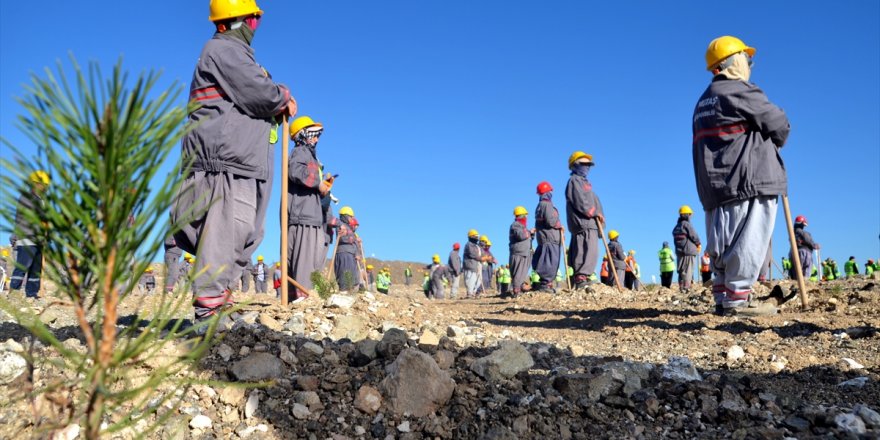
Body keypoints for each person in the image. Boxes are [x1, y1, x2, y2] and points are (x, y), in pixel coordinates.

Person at [172, 0, 297, 326]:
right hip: (225, 162)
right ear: (240, 21)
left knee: (244, 233)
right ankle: (209, 313)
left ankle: (220, 300)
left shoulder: (234, 54)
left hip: (241, 161)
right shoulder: (223, 51)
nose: (256, 26)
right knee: (224, 233)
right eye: (254, 19)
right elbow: (260, 94)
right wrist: (282, 95)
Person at [694, 36, 789, 316]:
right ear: (733, 61)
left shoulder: (704, 101)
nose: (749, 64)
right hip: (748, 179)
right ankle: (737, 300)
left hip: (715, 186)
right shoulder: (740, 91)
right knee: (747, 239)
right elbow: (780, 125)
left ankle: (725, 296)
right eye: (746, 59)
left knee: (723, 241)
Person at [286, 115, 332, 302]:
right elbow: (296, 172)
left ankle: (303, 297)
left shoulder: (310, 155)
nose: (317, 139)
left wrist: (323, 187)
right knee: (304, 260)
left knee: (310, 260)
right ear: (303, 134)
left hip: (310, 214)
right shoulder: (300, 152)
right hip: (302, 214)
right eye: (314, 134)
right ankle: (302, 299)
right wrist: (318, 183)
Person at [565, 151, 605, 290]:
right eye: (584, 164)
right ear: (575, 165)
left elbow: (593, 200)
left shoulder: (585, 182)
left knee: (590, 249)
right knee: (585, 249)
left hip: (590, 222)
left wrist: (600, 215)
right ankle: (581, 276)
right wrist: (593, 213)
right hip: (583, 222)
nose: (587, 167)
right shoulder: (574, 181)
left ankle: (584, 276)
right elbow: (580, 200)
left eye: (588, 164)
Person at [10, 171, 49, 298]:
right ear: (35, 184)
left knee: (35, 270)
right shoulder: (27, 197)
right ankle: (13, 294)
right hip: (27, 236)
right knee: (23, 266)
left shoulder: (41, 200)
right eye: (42, 185)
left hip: (38, 239)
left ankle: (32, 295)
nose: (44, 188)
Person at [532, 181, 563, 293]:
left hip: (545, 238)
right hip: (550, 238)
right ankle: (546, 284)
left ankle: (546, 284)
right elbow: (550, 221)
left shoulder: (540, 205)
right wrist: (558, 224)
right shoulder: (547, 205)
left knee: (546, 260)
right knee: (550, 261)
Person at [672, 205, 701, 293]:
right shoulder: (687, 225)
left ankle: (681, 287)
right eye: (690, 214)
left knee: (681, 270)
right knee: (688, 270)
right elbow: (694, 235)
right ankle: (686, 288)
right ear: (687, 215)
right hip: (689, 251)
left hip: (679, 252)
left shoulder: (677, 226)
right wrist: (698, 243)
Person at [334, 206, 361, 291]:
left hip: (351, 254)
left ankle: (350, 292)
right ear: (345, 216)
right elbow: (342, 239)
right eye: (350, 216)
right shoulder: (341, 226)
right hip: (344, 253)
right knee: (344, 275)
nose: (352, 218)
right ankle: (344, 292)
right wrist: (354, 239)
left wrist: (357, 253)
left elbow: (355, 243)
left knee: (352, 277)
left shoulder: (350, 229)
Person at [509, 206, 533, 298]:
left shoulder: (522, 226)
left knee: (522, 272)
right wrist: (529, 232)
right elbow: (521, 236)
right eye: (525, 216)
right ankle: (516, 290)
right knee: (518, 271)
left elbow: (526, 238)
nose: (526, 218)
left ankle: (520, 287)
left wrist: (531, 234)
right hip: (518, 252)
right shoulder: (515, 225)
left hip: (524, 252)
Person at [789, 215, 818, 280]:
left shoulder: (792, 232)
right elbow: (807, 239)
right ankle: (804, 281)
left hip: (797, 251)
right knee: (806, 268)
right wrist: (814, 245)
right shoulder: (803, 232)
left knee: (797, 268)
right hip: (805, 251)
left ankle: (798, 280)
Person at [463, 230, 484, 298]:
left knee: (477, 281)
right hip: (469, 266)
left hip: (474, 266)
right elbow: (473, 254)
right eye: (475, 236)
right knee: (470, 280)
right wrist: (481, 259)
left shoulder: (475, 246)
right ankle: (469, 294)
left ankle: (473, 293)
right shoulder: (469, 245)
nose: (477, 238)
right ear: (471, 236)